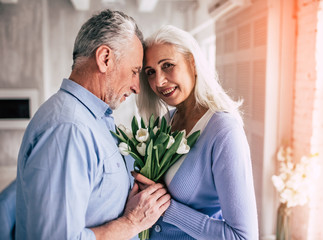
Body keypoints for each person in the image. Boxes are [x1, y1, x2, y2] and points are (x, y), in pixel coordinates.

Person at [15, 9, 170, 240]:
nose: (137, 87)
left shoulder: (93, 120)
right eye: (134, 71)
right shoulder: (68, 129)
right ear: (105, 58)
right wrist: (131, 223)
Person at [134, 25, 259, 239]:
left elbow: (242, 236)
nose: (159, 81)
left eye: (168, 65)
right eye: (151, 72)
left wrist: (167, 208)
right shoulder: (165, 123)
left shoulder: (223, 131)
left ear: (192, 63)